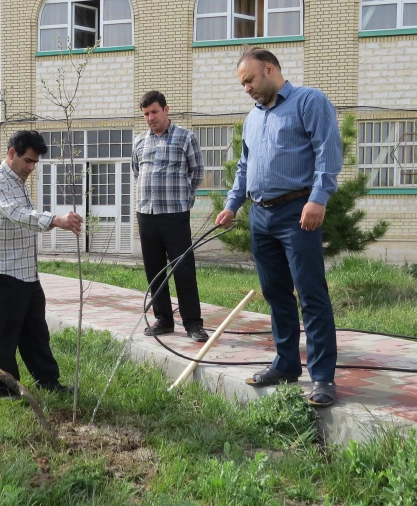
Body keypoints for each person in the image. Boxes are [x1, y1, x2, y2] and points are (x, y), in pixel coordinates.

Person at [215, 47, 342, 407]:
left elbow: (327, 152)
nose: (247, 89)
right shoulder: (252, 119)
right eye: (243, 84)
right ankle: (286, 364)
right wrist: (232, 205)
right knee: (275, 294)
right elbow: (244, 167)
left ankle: (322, 377)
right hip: (261, 216)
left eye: (250, 80)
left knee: (311, 294)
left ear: (269, 70)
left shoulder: (309, 101)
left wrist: (318, 199)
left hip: (297, 212)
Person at [0, 130, 82, 398]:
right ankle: (4, 387)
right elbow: (16, 214)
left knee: (36, 330)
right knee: (7, 332)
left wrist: (52, 222)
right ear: (11, 153)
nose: (31, 167)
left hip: (25, 270)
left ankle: (47, 380)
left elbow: (25, 219)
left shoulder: (20, 182)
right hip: (3, 270)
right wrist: (55, 220)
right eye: (27, 160)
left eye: (35, 162)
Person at [131, 90, 209, 343]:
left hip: (175, 214)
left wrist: (184, 200)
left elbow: (196, 173)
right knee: (154, 269)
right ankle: (163, 319)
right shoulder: (139, 141)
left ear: (166, 110)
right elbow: (136, 172)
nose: (150, 118)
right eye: (145, 114)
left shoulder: (186, 137)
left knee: (183, 269)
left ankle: (193, 323)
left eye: (154, 112)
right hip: (147, 214)